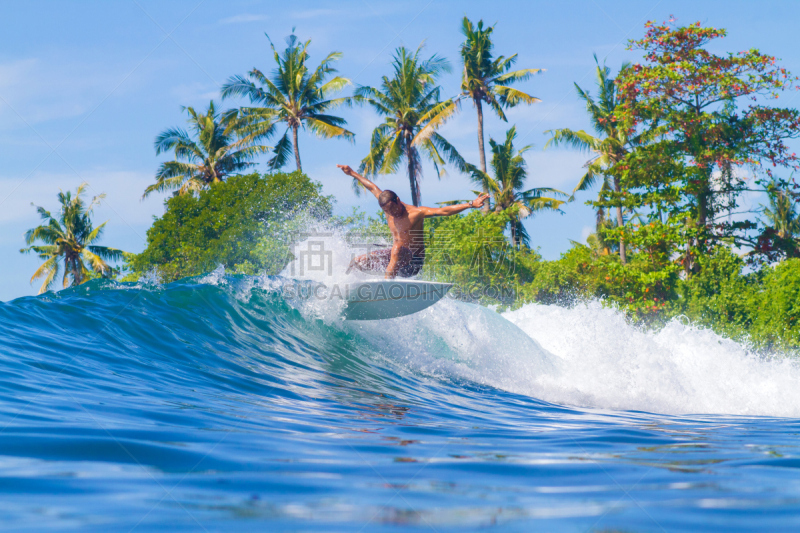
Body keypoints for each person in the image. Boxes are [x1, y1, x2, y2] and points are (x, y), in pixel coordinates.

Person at [337, 164, 490, 279]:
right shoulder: (387, 207)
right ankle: (344, 282)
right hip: (395, 260)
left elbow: (444, 211)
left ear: (398, 200)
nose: (391, 214)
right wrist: (352, 173)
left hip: (413, 263)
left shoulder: (416, 213)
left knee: (396, 248)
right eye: (387, 211)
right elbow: (372, 187)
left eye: (393, 209)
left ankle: (385, 288)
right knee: (358, 260)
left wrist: (471, 204)